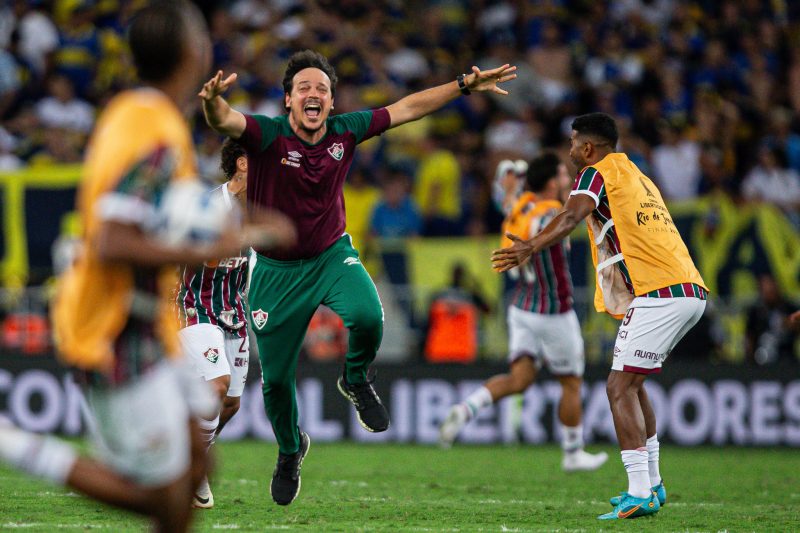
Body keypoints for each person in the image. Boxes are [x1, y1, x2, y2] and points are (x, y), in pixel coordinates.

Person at [199, 49, 516, 505]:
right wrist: (211, 102)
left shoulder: (346, 131)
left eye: (322, 89)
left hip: (330, 255)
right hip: (274, 272)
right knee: (276, 382)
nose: (314, 94)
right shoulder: (267, 135)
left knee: (369, 316)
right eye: (304, 88)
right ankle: (291, 450)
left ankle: (354, 377)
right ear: (288, 100)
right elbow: (225, 120)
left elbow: (407, 108)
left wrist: (463, 86)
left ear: (331, 102)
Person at [0, 3, 228, 532]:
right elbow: (111, 238)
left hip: (148, 317)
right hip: (114, 324)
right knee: (160, 498)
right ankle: (11, 443)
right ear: (192, 50)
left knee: (198, 460)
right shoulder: (151, 129)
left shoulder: (143, 113)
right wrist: (207, 248)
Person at [492, 113, 708, 520]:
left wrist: (532, 246)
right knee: (634, 383)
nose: (570, 150)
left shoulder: (594, 174)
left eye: (573, 143)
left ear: (588, 148)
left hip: (659, 291)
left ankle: (639, 490)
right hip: (688, 289)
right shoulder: (639, 176)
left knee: (617, 387)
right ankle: (655, 484)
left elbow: (572, 216)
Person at [440, 153, 609, 473]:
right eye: (562, 176)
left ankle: (465, 409)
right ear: (550, 182)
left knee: (520, 379)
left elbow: (508, 202)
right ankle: (573, 451)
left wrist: (509, 185)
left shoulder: (519, 206)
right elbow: (554, 224)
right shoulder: (552, 213)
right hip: (554, 310)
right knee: (571, 382)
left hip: (522, 307)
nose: (567, 181)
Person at [176, 138, 296, 509]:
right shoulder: (209, 205)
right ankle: (194, 472)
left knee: (231, 404)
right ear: (242, 164)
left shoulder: (264, 210)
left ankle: (188, 460)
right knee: (217, 385)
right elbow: (195, 256)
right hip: (194, 306)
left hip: (234, 312)